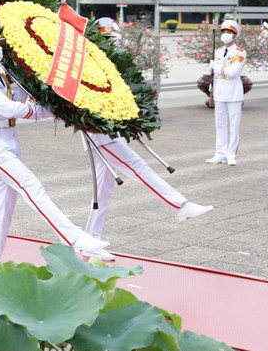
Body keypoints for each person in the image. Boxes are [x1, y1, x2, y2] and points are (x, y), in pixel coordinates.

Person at [0, 19, 109, 270]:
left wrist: (56, 108)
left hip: (9, 140)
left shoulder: (1, 73)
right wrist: (36, 111)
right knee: (32, 186)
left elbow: (24, 98)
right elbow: (9, 108)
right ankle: (74, 238)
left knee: (3, 208)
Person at [77, 18, 214, 261]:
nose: (110, 44)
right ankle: (179, 206)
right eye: (105, 39)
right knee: (138, 167)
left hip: (112, 131)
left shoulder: (108, 64)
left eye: (111, 40)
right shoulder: (86, 65)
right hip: (100, 135)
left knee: (104, 191)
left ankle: (91, 240)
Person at [207, 20, 246, 166]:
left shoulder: (240, 52)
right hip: (219, 91)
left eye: (229, 33)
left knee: (234, 126)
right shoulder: (218, 52)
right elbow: (218, 74)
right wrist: (212, 84)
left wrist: (216, 68)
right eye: (224, 32)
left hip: (233, 92)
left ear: (235, 35)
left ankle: (231, 155)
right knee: (220, 125)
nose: (226, 35)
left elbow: (233, 72)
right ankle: (220, 153)